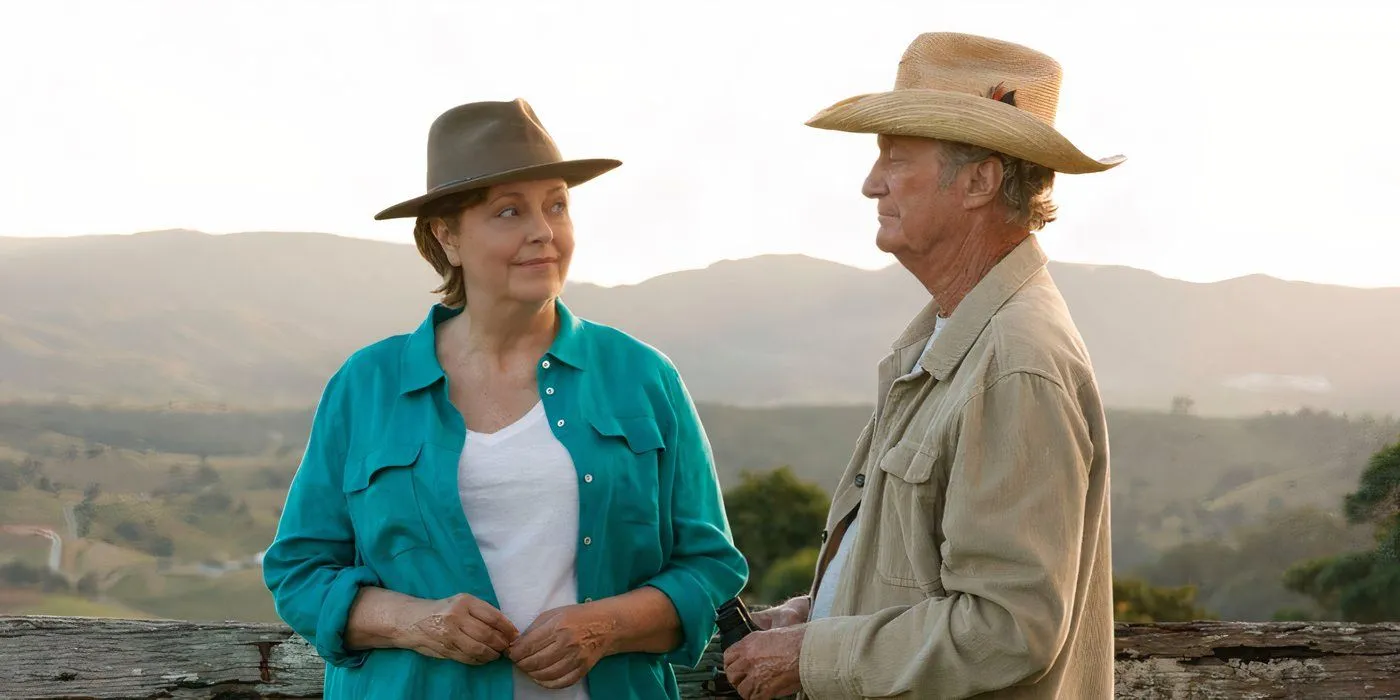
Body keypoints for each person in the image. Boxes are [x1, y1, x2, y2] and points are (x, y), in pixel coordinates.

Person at [262, 98, 748, 699]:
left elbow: (710, 567)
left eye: (557, 205)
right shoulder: (366, 384)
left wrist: (605, 627)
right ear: (448, 237)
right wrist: (413, 621)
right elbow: (300, 572)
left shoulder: (643, 376)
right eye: (509, 211)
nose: (542, 231)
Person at [723, 32, 1124, 699]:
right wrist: (817, 616)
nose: (870, 183)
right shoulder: (954, 338)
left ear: (978, 180)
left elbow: (1005, 628)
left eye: (895, 156)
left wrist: (814, 656)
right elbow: (926, 577)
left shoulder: (1013, 364)